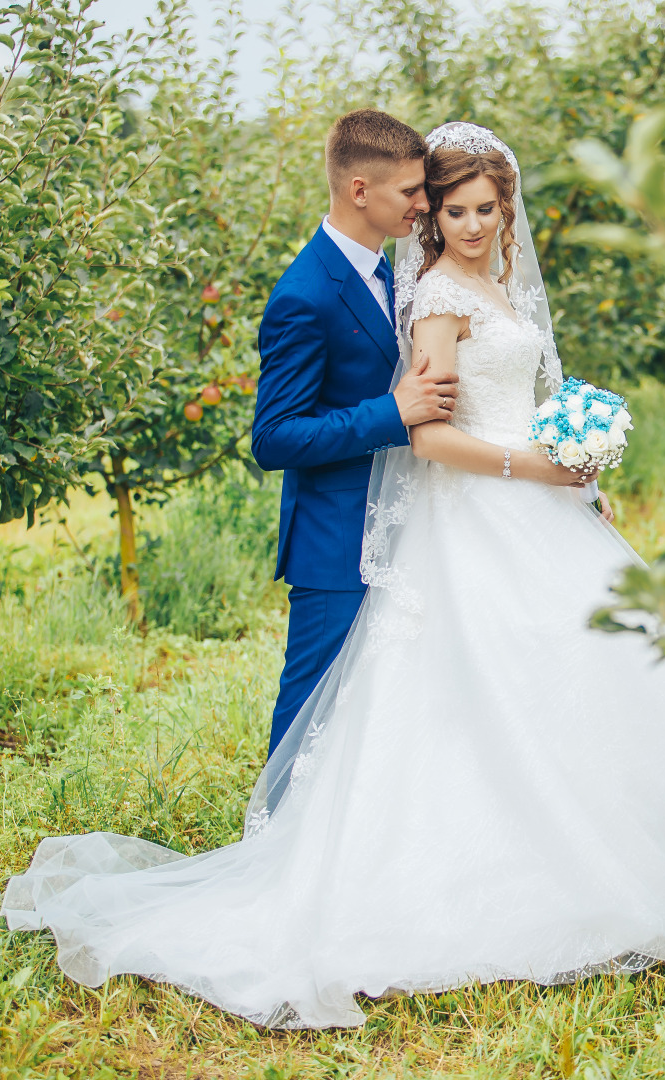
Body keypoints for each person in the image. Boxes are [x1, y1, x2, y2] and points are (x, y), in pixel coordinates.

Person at [0, 122, 665, 1030]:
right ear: (362, 192)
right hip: (367, 527)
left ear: (505, 210)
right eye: (428, 199)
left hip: (496, 509)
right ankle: (296, 865)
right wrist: (430, 426)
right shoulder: (319, 291)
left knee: (555, 682)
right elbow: (290, 434)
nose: (437, 213)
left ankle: (586, 853)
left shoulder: (401, 272)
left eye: (464, 204)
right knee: (338, 707)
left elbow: (493, 395)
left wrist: (568, 468)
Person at [248, 109, 457, 757]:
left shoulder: (391, 272)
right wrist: (391, 414)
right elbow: (274, 437)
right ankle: (274, 852)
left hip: (404, 524)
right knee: (312, 712)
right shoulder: (302, 295)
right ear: (359, 191)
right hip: (335, 544)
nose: (424, 206)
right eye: (411, 192)